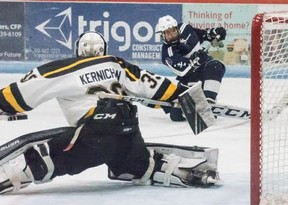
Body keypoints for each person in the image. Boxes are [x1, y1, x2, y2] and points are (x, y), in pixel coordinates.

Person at [0, 31, 219, 194]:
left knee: (45, 160)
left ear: (78, 50)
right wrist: (191, 101)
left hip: (94, 135)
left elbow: (17, 96)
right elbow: (156, 86)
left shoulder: (64, 68)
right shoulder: (117, 64)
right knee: (140, 165)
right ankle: (186, 171)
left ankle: (14, 175)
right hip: (128, 131)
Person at [157, 15, 227, 121]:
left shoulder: (186, 28)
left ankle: (209, 102)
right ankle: (198, 102)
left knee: (216, 65)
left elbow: (204, 35)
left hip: (206, 69)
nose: (170, 34)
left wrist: (215, 33)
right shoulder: (167, 53)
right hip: (189, 77)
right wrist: (194, 60)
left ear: (177, 28)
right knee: (176, 116)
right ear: (162, 35)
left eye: (172, 31)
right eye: (167, 33)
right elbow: (181, 71)